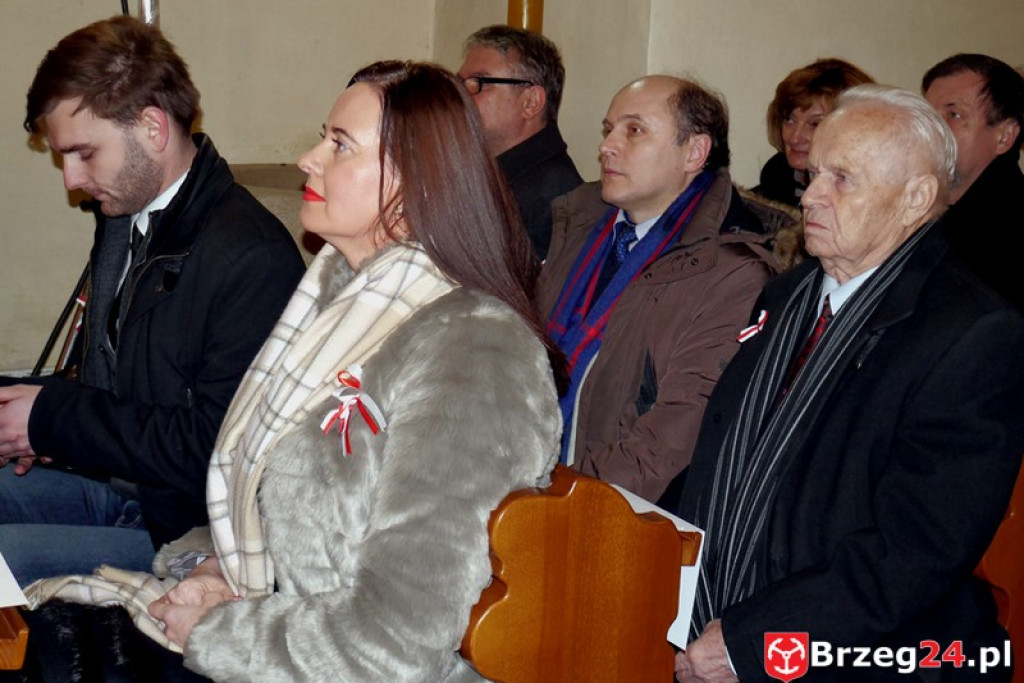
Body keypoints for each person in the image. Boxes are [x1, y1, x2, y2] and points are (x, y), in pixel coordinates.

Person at [20, 60, 562, 683]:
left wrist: (222, 634)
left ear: (417, 182)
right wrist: (214, 572)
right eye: (321, 137)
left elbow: (398, 641)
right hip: (286, 635)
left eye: (339, 145)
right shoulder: (336, 308)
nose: (308, 159)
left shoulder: (474, 353)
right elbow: (290, 510)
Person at [676, 85, 1024, 682]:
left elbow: (916, 549)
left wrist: (754, 642)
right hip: (717, 613)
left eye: (842, 178)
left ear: (916, 198)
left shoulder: (974, 331)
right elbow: (727, 456)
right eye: (813, 175)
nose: (810, 195)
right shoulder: (788, 294)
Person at [0, 16, 305, 585]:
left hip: (191, 538)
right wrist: (31, 419)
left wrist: (54, 421)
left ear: (152, 128)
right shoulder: (129, 216)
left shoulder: (251, 256)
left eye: (84, 153)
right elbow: (126, 389)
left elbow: (216, 451)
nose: (70, 179)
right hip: (124, 488)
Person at [536, 75, 781, 505]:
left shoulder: (733, 274)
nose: (607, 146)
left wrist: (552, 496)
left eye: (634, 130)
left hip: (615, 518)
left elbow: (668, 443)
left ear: (694, 152)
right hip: (528, 478)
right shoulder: (576, 222)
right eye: (608, 129)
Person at [459, 25, 583, 261]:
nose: (461, 97)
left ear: (531, 102)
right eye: (460, 85)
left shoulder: (551, 201)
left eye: (477, 83)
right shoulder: (492, 176)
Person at [923, 53, 1024, 312]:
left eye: (953, 115)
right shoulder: (920, 207)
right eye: (927, 117)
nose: (933, 130)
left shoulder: (1010, 231)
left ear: (1004, 137)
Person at [753, 58, 874, 207]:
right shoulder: (771, 186)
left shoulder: (870, 201)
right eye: (789, 119)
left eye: (815, 124)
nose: (795, 138)